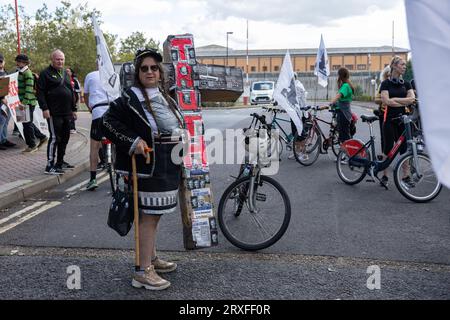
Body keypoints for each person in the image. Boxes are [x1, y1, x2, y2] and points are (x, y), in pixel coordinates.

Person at [101, 48, 185, 290]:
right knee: (148, 216)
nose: (150, 71)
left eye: (154, 68)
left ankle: (151, 257)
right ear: (138, 73)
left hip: (167, 161)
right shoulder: (130, 97)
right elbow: (107, 122)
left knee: (154, 215)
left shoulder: (162, 94)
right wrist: (134, 141)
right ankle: (142, 270)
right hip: (148, 165)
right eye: (144, 68)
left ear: (160, 72)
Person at [37, 49, 77, 175]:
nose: (60, 61)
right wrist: (44, 108)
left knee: (65, 138)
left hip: (67, 112)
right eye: (57, 59)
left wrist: (74, 109)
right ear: (52, 59)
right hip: (54, 113)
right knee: (55, 138)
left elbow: (71, 91)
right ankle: (49, 165)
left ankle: (60, 162)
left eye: (62, 59)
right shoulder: (45, 74)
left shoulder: (65, 73)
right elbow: (40, 92)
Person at [380, 56, 416, 186]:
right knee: (388, 148)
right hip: (389, 120)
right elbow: (386, 101)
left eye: (405, 65)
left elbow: (412, 99)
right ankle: (384, 176)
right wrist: (402, 101)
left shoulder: (406, 84)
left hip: (403, 120)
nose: (404, 67)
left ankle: (406, 176)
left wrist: (395, 99)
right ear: (394, 66)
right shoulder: (385, 83)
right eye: (402, 64)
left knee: (404, 149)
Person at [83, 68, 110, 191]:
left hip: (98, 112)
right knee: (119, 143)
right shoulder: (113, 74)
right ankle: (122, 175)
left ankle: (93, 179)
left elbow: (86, 95)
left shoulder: (90, 74)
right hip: (112, 112)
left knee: (94, 147)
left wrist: (91, 109)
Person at [15, 54, 48, 153]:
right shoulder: (21, 72)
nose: (17, 63)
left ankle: (32, 145)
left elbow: (29, 90)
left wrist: (23, 103)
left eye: (18, 61)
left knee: (26, 124)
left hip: (27, 102)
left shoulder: (27, 73)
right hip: (23, 102)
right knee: (27, 122)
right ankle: (42, 137)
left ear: (23, 63)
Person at [374, 66, 391, 184]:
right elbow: (376, 99)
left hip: (398, 115)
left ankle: (406, 173)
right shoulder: (383, 84)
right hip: (384, 114)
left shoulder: (401, 84)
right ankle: (385, 174)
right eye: (388, 73)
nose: (390, 75)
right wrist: (385, 99)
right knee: (385, 141)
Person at [329, 67, 354, 144]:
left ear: (340, 75)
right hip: (345, 113)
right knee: (344, 134)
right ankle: (345, 152)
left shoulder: (345, 86)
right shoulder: (347, 84)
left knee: (344, 136)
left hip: (344, 114)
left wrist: (331, 103)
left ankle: (349, 153)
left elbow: (338, 96)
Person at [0, 53, 16, 150]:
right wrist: (1, 98)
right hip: (2, 101)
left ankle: (3, 139)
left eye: (1, 61)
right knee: (1, 121)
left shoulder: (4, 72)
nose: (0, 63)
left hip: (7, 101)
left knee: (5, 121)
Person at [66, 68, 81, 134]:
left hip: (74, 98)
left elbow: (79, 89)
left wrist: (73, 88)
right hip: (66, 98)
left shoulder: (75, 80)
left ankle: (72, 128)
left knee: (72, 113)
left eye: (68, 71)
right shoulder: (63, 79)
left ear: (71, 73)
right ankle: (68, 127)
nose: (67, 72)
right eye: (66, 71)